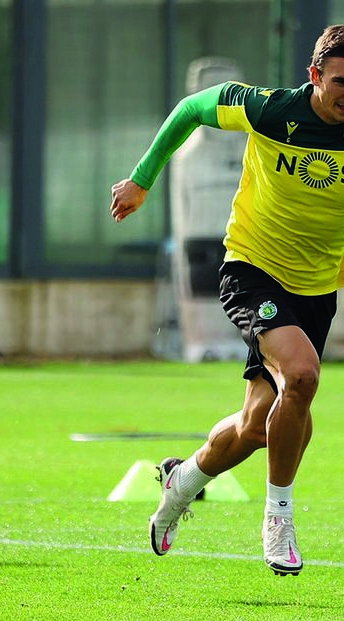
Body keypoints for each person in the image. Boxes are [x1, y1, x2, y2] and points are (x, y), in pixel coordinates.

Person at [109, 25, 344, 577]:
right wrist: (141, 180)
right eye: (341, 82)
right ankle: (278, 520)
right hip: (252, 270)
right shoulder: (270, 110)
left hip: (315, 289)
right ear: (315, 76)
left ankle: (182, 480)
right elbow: (192, 108)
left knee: (260, 426)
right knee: (302, 377)